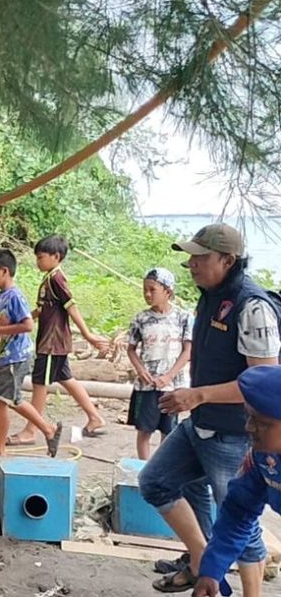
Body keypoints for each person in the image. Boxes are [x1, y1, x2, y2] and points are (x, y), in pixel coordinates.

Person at [139, 223, 278, 594]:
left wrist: (198, 394)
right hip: (199, 423)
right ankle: (203, 563)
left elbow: (263, 384)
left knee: (241, 521)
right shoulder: (210, 296)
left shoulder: (253, 308)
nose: (192, 264)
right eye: (191, 256)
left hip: (235, 433)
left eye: (201, 257)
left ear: (228, 260)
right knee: (156, 483)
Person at [9, 235, 110, 446]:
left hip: (51, 344)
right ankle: (95, 417)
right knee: (66, 379)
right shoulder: (49, 278)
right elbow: (42, 308)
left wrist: (88, 334)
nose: (38, 261)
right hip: (54, 343)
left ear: (56, 256)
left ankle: (30, 430)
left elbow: (71, 306)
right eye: (36, 257)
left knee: (40, 384)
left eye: (41, 257)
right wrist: (23, 319)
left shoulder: (56, 278)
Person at [193, 365, 281, 597]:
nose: (248, 427)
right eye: (248, 416)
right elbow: (238, 512)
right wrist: (211, 571)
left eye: (261, 423)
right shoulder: (263, 458)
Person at [0, 249, 62, 458]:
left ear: (5, 271)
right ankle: (48, 429)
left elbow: (27, 325)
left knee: (1, 399)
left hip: (17, 356)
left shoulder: (15, 296)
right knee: (13, 399)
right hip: (8, 356)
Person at [125, 268, 193, 460]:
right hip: (146, 385)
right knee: (144, 430)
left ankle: (161, 467)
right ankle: (143, 468)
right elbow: (131, 349)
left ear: (168, 292)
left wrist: (170, 375)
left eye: (152, 290)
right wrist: (141, 371)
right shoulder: (141, 319)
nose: (147, 294)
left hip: (171, 385)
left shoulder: (183, 318)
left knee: (169, 431)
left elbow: (187, 350)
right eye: (144, 289)